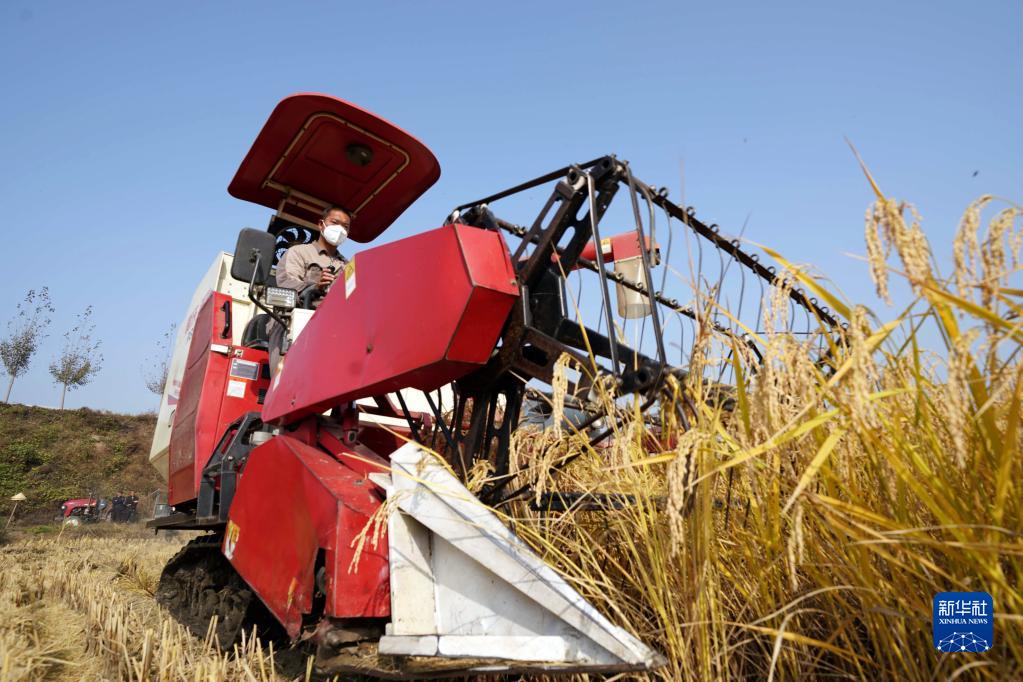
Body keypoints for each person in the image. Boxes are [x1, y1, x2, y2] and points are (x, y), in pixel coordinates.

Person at [268, 206, 352, 374]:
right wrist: (315, 286)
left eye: (345, 227)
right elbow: (287, 283)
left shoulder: (347, 265)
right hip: (290, 324)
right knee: (286, 379)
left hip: (331, 329)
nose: (340, 229)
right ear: (321, 225)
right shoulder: (298, 252)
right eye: (335, 223)